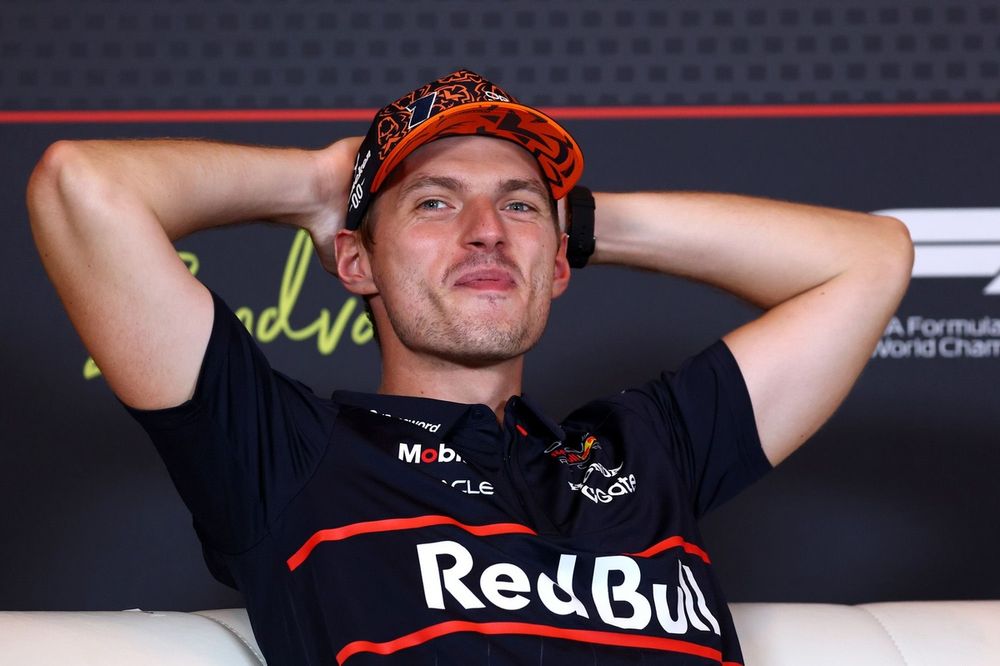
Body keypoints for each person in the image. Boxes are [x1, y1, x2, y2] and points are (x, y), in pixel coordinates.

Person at [28, 69, 912, 665]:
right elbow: (82, 189)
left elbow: (873, 259)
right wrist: (317, 184)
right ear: (355, 262)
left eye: (516, 206)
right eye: (435, 203)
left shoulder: (647, 449)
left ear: (559, 265)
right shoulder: (289, 458)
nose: (486, 231)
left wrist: (573, 220)